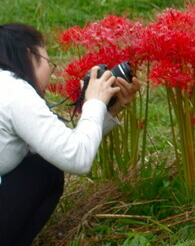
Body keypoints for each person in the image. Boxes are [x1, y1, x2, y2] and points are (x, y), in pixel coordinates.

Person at [0, 23, 141, 245]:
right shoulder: (15, 91)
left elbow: (60, 145)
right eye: (49, 62)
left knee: (40, 163)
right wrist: (94, 102)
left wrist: (108, 109)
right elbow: (76, 158)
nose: (50, 71)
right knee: (45, 171)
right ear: (30, 54)